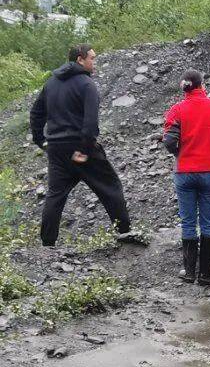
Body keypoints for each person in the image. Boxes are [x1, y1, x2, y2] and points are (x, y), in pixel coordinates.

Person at [30, 44, 135, 247]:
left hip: (57, 147)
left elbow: (36, 113)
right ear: (80, 59)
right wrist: (84, 150)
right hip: (80, 146)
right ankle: (125, 234)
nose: (94, 62)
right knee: (110, 187)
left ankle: (47, 244)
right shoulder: (86, 85)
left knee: (56, 194)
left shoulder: (51, 83)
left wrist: (40, 140)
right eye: (92, 58)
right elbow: (90, 123)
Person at [163, 70, 210, 286]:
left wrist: (180, 154)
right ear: (202, 86)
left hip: (184, 173)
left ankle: (188, 273)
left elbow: (168, 140)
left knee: (188, 222)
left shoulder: (176, 110)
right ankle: (206, 275)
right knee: (208, 224)